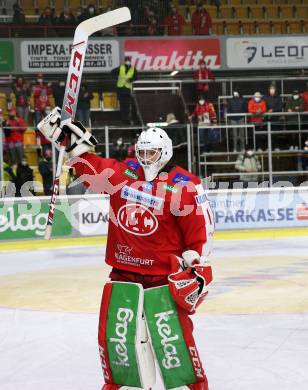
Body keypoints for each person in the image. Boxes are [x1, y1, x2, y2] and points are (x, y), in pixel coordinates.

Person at [38, 107, 215, 390]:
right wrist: (67, 141)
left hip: (163, 279)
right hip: (124, 275)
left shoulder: (184, 185)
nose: (145, 159)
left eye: (152, 153)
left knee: (175, 347)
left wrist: (196, 262)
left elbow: (200, 230)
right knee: (117, 343)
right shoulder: (124, 173)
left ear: (165, 152)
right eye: (141, 153)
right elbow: (90, 166)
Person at [112, 56, 137, 124]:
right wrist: (116, 78)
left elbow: (136, 77)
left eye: (128, 60)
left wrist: (131, 80)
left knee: (127, 105)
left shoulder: (133, 69)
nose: (127, 62)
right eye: (126, 60)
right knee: (122, 105)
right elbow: (112, 72)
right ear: (125, 61)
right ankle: (123, 119)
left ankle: (127, 119)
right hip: (120, 89)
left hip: (127, 89)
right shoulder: (121, 67)